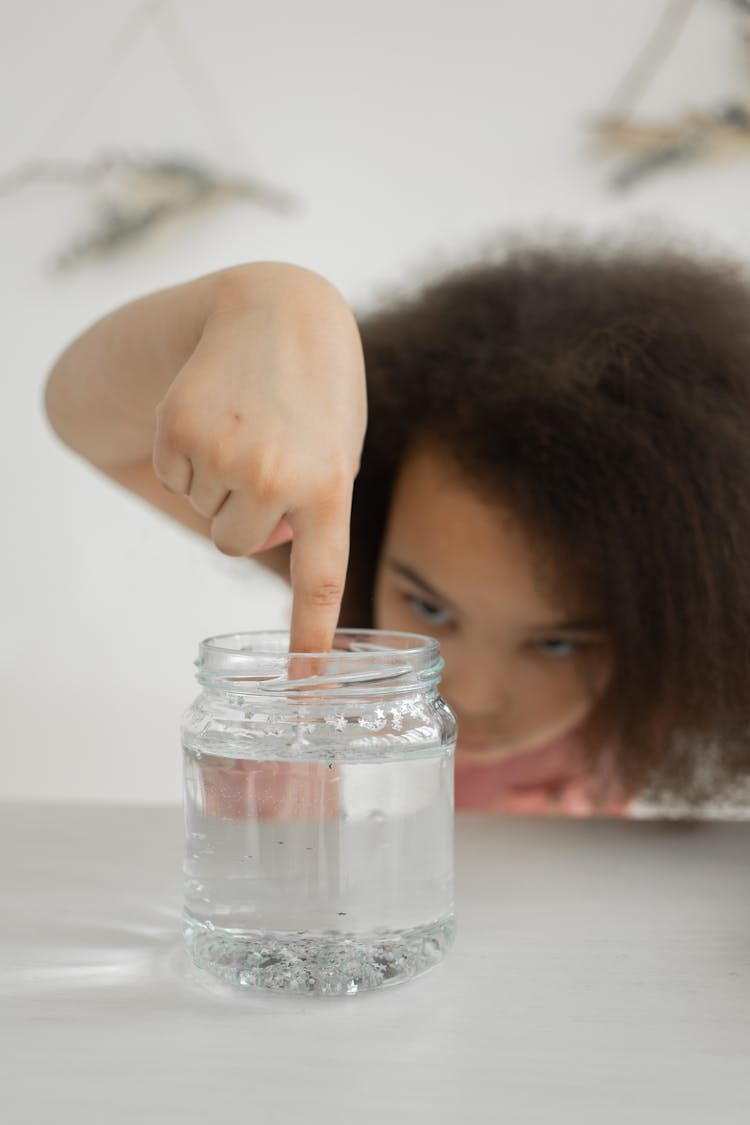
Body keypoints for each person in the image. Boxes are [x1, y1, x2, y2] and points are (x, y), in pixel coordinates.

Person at [44, 235, 750, 817]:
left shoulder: (680, 660)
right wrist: (255, 303)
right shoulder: (349, 562)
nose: (469, 692)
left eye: (558, 644)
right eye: (429, 605)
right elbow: (86, 417)